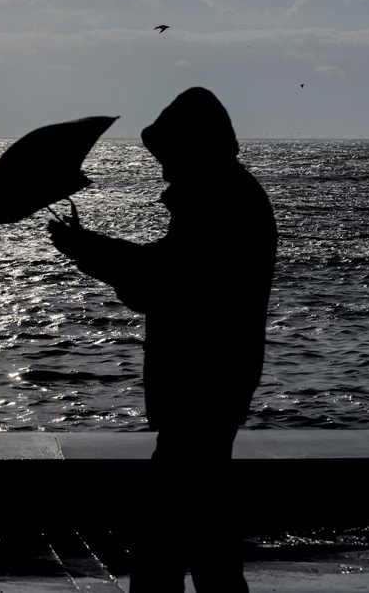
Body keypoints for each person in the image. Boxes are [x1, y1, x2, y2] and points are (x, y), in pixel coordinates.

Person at [47, 87, 277, 592]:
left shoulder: (217, 202)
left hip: (202, 384)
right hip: (217, 381)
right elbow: (163, 279)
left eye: (169, 157)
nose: (164, 171)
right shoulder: (229, 197)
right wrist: (93, 251)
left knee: (167, 537)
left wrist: (87, 249)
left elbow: (163, 282)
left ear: (191, 149)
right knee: (202, 533)